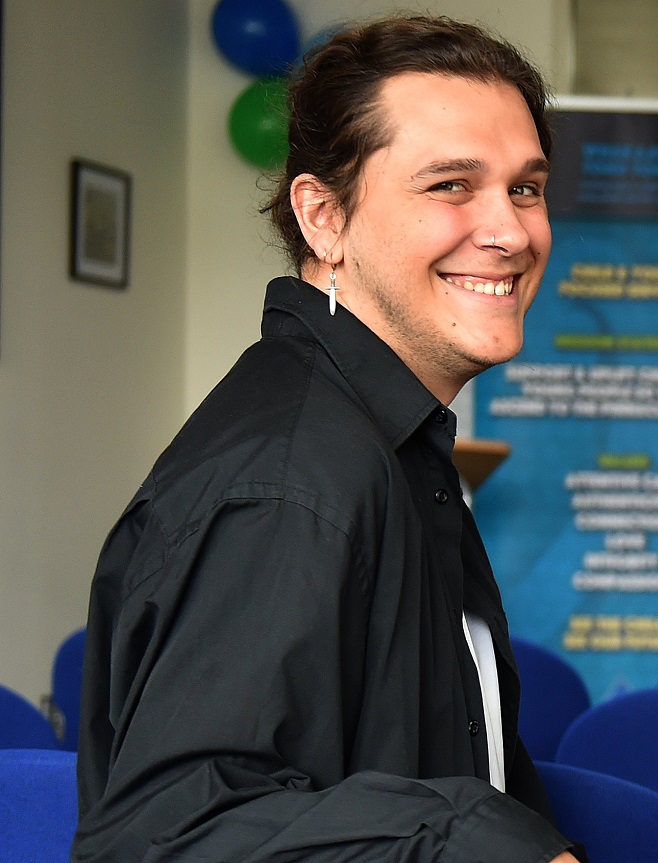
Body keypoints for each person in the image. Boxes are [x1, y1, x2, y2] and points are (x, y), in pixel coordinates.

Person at [75, 17, 578, 863]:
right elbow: (173, 833)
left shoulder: (393, 446)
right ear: (323, 217)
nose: (512, 231)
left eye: (525, 188)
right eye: (452, 185)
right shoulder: (290, 482)